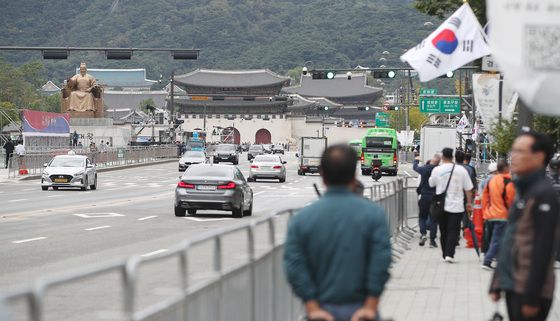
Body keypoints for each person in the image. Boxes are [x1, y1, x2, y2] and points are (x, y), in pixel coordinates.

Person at [284, 145, 391, 321]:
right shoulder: (373, 214)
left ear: (322, 174)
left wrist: (312, 307)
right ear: (354, 174)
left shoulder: (302, 218)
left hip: (320, 311)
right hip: (362, 311)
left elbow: (295, 266)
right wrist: (370, 306)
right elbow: (381, 262)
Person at [489, 132, 560, 321]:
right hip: (513, 284)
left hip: (530, 289)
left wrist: (531, 296)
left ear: (539, 157)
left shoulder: (544, 193)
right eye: (514, 151)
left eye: (520, 151)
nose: (514, 156)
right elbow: (510, 238)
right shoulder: (523, 189)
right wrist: (496, 282)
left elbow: (543, 249)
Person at [429, 148, 473, 263]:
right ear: (452, 157)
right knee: (454, 230)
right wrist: (469, 203)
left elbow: (431, 183)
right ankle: (450, 254)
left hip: (441, 205)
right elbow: (468, 188)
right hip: (457, 205)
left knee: (443, 230)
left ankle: (445, 253)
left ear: (443, 157)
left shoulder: (437, 170)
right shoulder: (461, 170)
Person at [481, 160, 515, 270]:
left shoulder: (491, 180)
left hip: (490, 214)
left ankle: (498, 259)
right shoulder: (508, 181)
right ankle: (487, 261)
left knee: (492, 238)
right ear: (505, 168)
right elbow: (511, 199)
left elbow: (484, 197)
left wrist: (485, 211)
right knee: (498, 239)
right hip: (502, 215)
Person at [413, 153, 441, 247]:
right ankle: (432, 240)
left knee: (422, 217)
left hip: (424, 195)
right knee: (433, 219)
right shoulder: (439, 170)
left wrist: (416, 160)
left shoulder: (424, 169)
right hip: (435, 197)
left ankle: (423, 234)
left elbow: (415, 167)